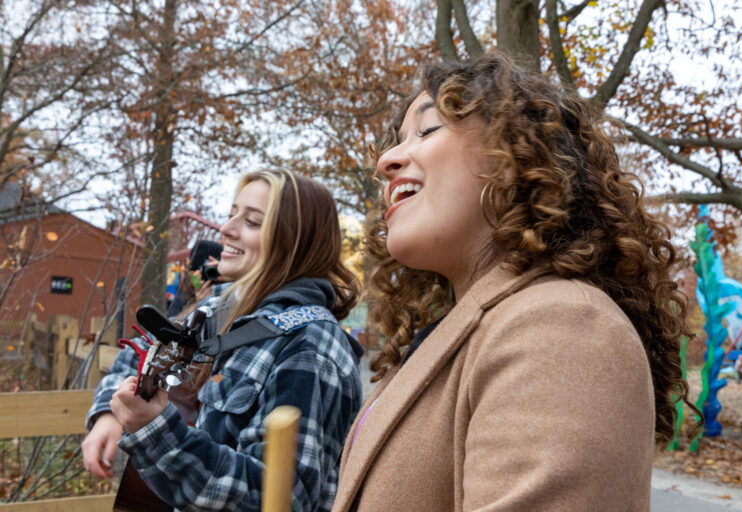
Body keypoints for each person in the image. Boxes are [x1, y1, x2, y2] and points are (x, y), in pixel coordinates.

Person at [331, 52, 697, 512]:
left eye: (427, 130)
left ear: (516, 157)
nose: (387, 161)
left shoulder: (563, 326)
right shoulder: (465, 332)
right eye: (398, 141)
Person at [82, 170, 364, 511]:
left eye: (252, 221)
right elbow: (140, 353)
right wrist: (109, 414)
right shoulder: (217, 309)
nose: (226, 229)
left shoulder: (312, 346)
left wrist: (155, 431)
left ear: (295, 243)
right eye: (232, 213)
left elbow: (280, 500)